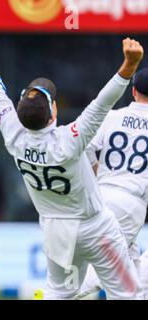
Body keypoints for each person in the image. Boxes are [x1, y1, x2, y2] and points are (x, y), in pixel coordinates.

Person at [0, 11, 144, 299]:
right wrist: (129, 65)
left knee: (58, 293)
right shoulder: (70, 139)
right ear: (53, 114)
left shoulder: (14, 135)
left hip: (55, 229)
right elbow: (102, 103)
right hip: (98, 229)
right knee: (128, 294)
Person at [76, 67, 148, 299]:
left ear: (134, 90)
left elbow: (85, 147)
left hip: (102, 197)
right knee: (109, 271)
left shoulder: (113, 116)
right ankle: (53, 294)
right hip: (132, 203)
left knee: (134, 275)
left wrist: (96, 174)